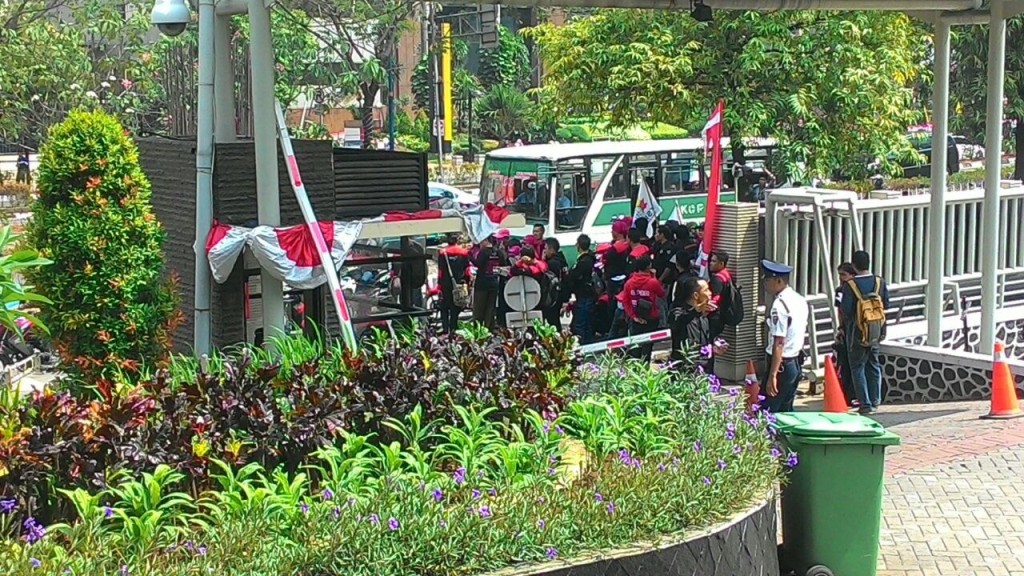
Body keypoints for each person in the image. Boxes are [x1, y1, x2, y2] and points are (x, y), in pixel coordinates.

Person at [839, 250, 890, 414]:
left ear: (854, 265)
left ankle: (865, 403)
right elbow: (886, 304)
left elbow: (846, 310)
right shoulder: (879, 282)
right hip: (876, 330)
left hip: (857, 331)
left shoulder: (850, 285)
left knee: (857, 367)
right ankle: (876, 400)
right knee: (874, 364)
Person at [761, 259, 809, 413]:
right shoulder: (799, 299)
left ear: (779, 281)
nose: (765, 283)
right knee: (786, 411)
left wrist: (772, 375)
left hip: (781, 364)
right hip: (794, 363)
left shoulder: (779, 306)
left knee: (767, 412)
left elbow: (779, 342)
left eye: (768, 279)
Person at [671, 276, 728, 373]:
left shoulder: (704, 315)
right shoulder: (677, 312)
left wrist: (715, 345)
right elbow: (680, 321)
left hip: (705, 367)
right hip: (686, 368)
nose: (710, 293)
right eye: (706, 290)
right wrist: (696, 310)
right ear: (696, 295)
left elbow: (707, 338)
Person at [620, 255, 665, 363]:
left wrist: (633, 316)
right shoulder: (652, 282)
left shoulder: (629, 283)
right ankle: (645, 371)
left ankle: (635, 372)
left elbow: (625, 301)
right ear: (649, 266)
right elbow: (662, 293)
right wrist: (654, 276)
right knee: (647, 347)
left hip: (636, 319)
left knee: (635, 347)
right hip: (651, 318)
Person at [564, 234, 597, 344]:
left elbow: (573, 277)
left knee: (580, 325)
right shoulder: (591, 259)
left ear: (579, 245)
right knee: (587, 324)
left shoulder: (584, 262)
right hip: (587, 295)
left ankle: (582, 346)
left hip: (584, 295)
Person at [833, 262, 858, 407]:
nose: (841, 278)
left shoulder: (856, 290)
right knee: (845, 363)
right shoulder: (840, 291)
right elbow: (839, 311)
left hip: (857, 329)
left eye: (844, 274)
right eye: (840, 275)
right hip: (847, 329)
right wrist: (841, 327)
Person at [437, 234, 471, 334]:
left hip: (446, 283)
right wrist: (467, 283)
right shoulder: (464, 252)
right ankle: (453, 328)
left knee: (444, 306)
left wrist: (439, 286)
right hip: (459, 283)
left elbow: (440, 271)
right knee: (456, 305)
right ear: (457, 241)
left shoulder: (443, 253)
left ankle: (445, 328)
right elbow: (467, 271)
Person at [472, 235, 501, 329]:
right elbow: (503, 262)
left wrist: (469, 256)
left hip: (482, 283)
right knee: (490, 309)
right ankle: (489, 329)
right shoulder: (497, 252)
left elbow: (478, 264)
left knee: (479, 309)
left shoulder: (484, 252)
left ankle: (478, 330)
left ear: (486, 241)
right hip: (494, 282)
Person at [542, 238, 568, 328]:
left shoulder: (552, 263)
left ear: (552, 249)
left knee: (552, 322)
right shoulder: (562, 260)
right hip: (560, 295)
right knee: (555, 320)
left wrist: (543, 261)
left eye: (545, 248)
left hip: (553, 296)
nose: (544, 251)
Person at [707, 250, 733, 339]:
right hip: (721, 315)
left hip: (715, 317)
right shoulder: (726, 275)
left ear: (721, 264)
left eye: (714, 261)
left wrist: (705, 311)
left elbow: (716, 298)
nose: (710, 263)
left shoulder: (717, 279)